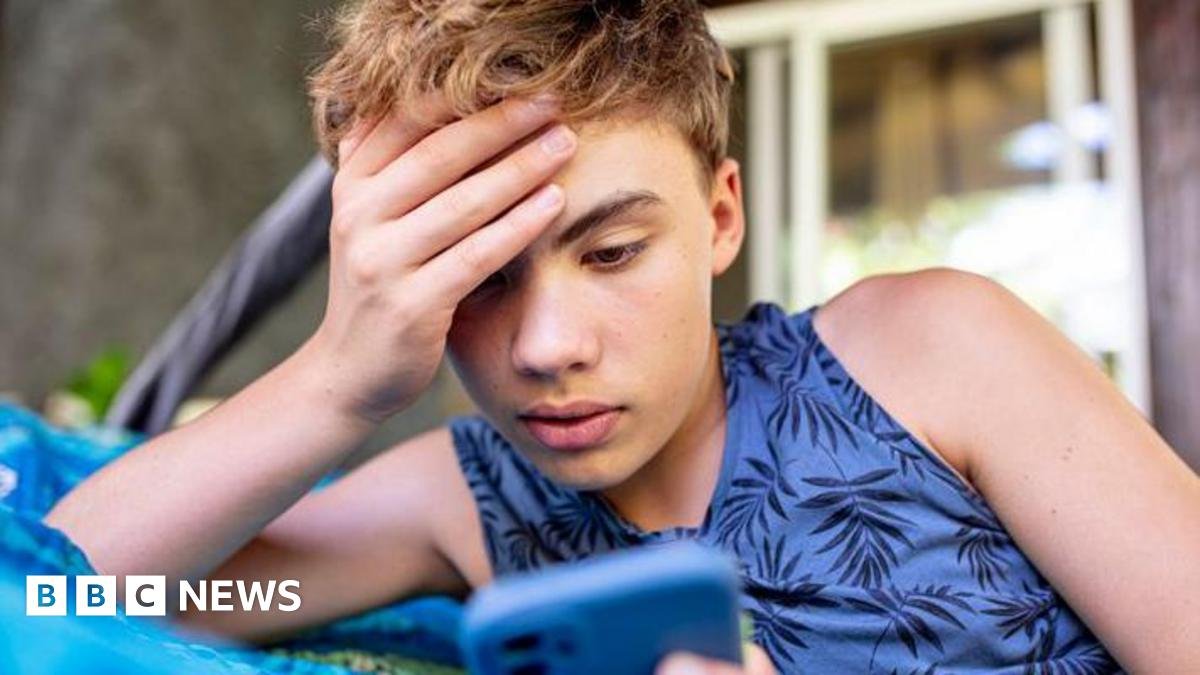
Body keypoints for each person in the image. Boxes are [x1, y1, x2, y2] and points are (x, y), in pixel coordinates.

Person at [45, 0, 1199, 672]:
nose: (546, 346)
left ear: (720, 217)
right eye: (476, 279)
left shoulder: (931, 353)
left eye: (610, 253)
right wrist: (336, 381)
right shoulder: (462, 500)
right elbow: (58, 604)